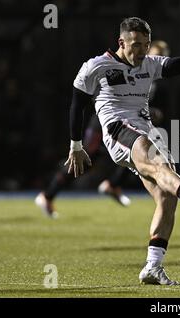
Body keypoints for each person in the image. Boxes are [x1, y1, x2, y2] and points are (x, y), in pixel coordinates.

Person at [65, 17, 180, 285]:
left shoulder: (149, 64)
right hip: (119, 129)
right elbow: (77, 104)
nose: (141, 51)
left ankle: (153, 266)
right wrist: (76, 145)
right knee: (157, 163)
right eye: (136, 45)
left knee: (166, 197)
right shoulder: (97, 66)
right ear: (121, 42)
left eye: (146, 45)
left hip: (145, 131)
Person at [34, 41, 171, 219]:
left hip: (128, 125)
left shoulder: (151, 78)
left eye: (161, 55)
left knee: (138, 153)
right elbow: (108, 95)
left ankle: (113, 185)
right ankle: (48, 194)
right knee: (86, 159)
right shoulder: (127, 67)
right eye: (153, 53)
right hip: (106, 123)